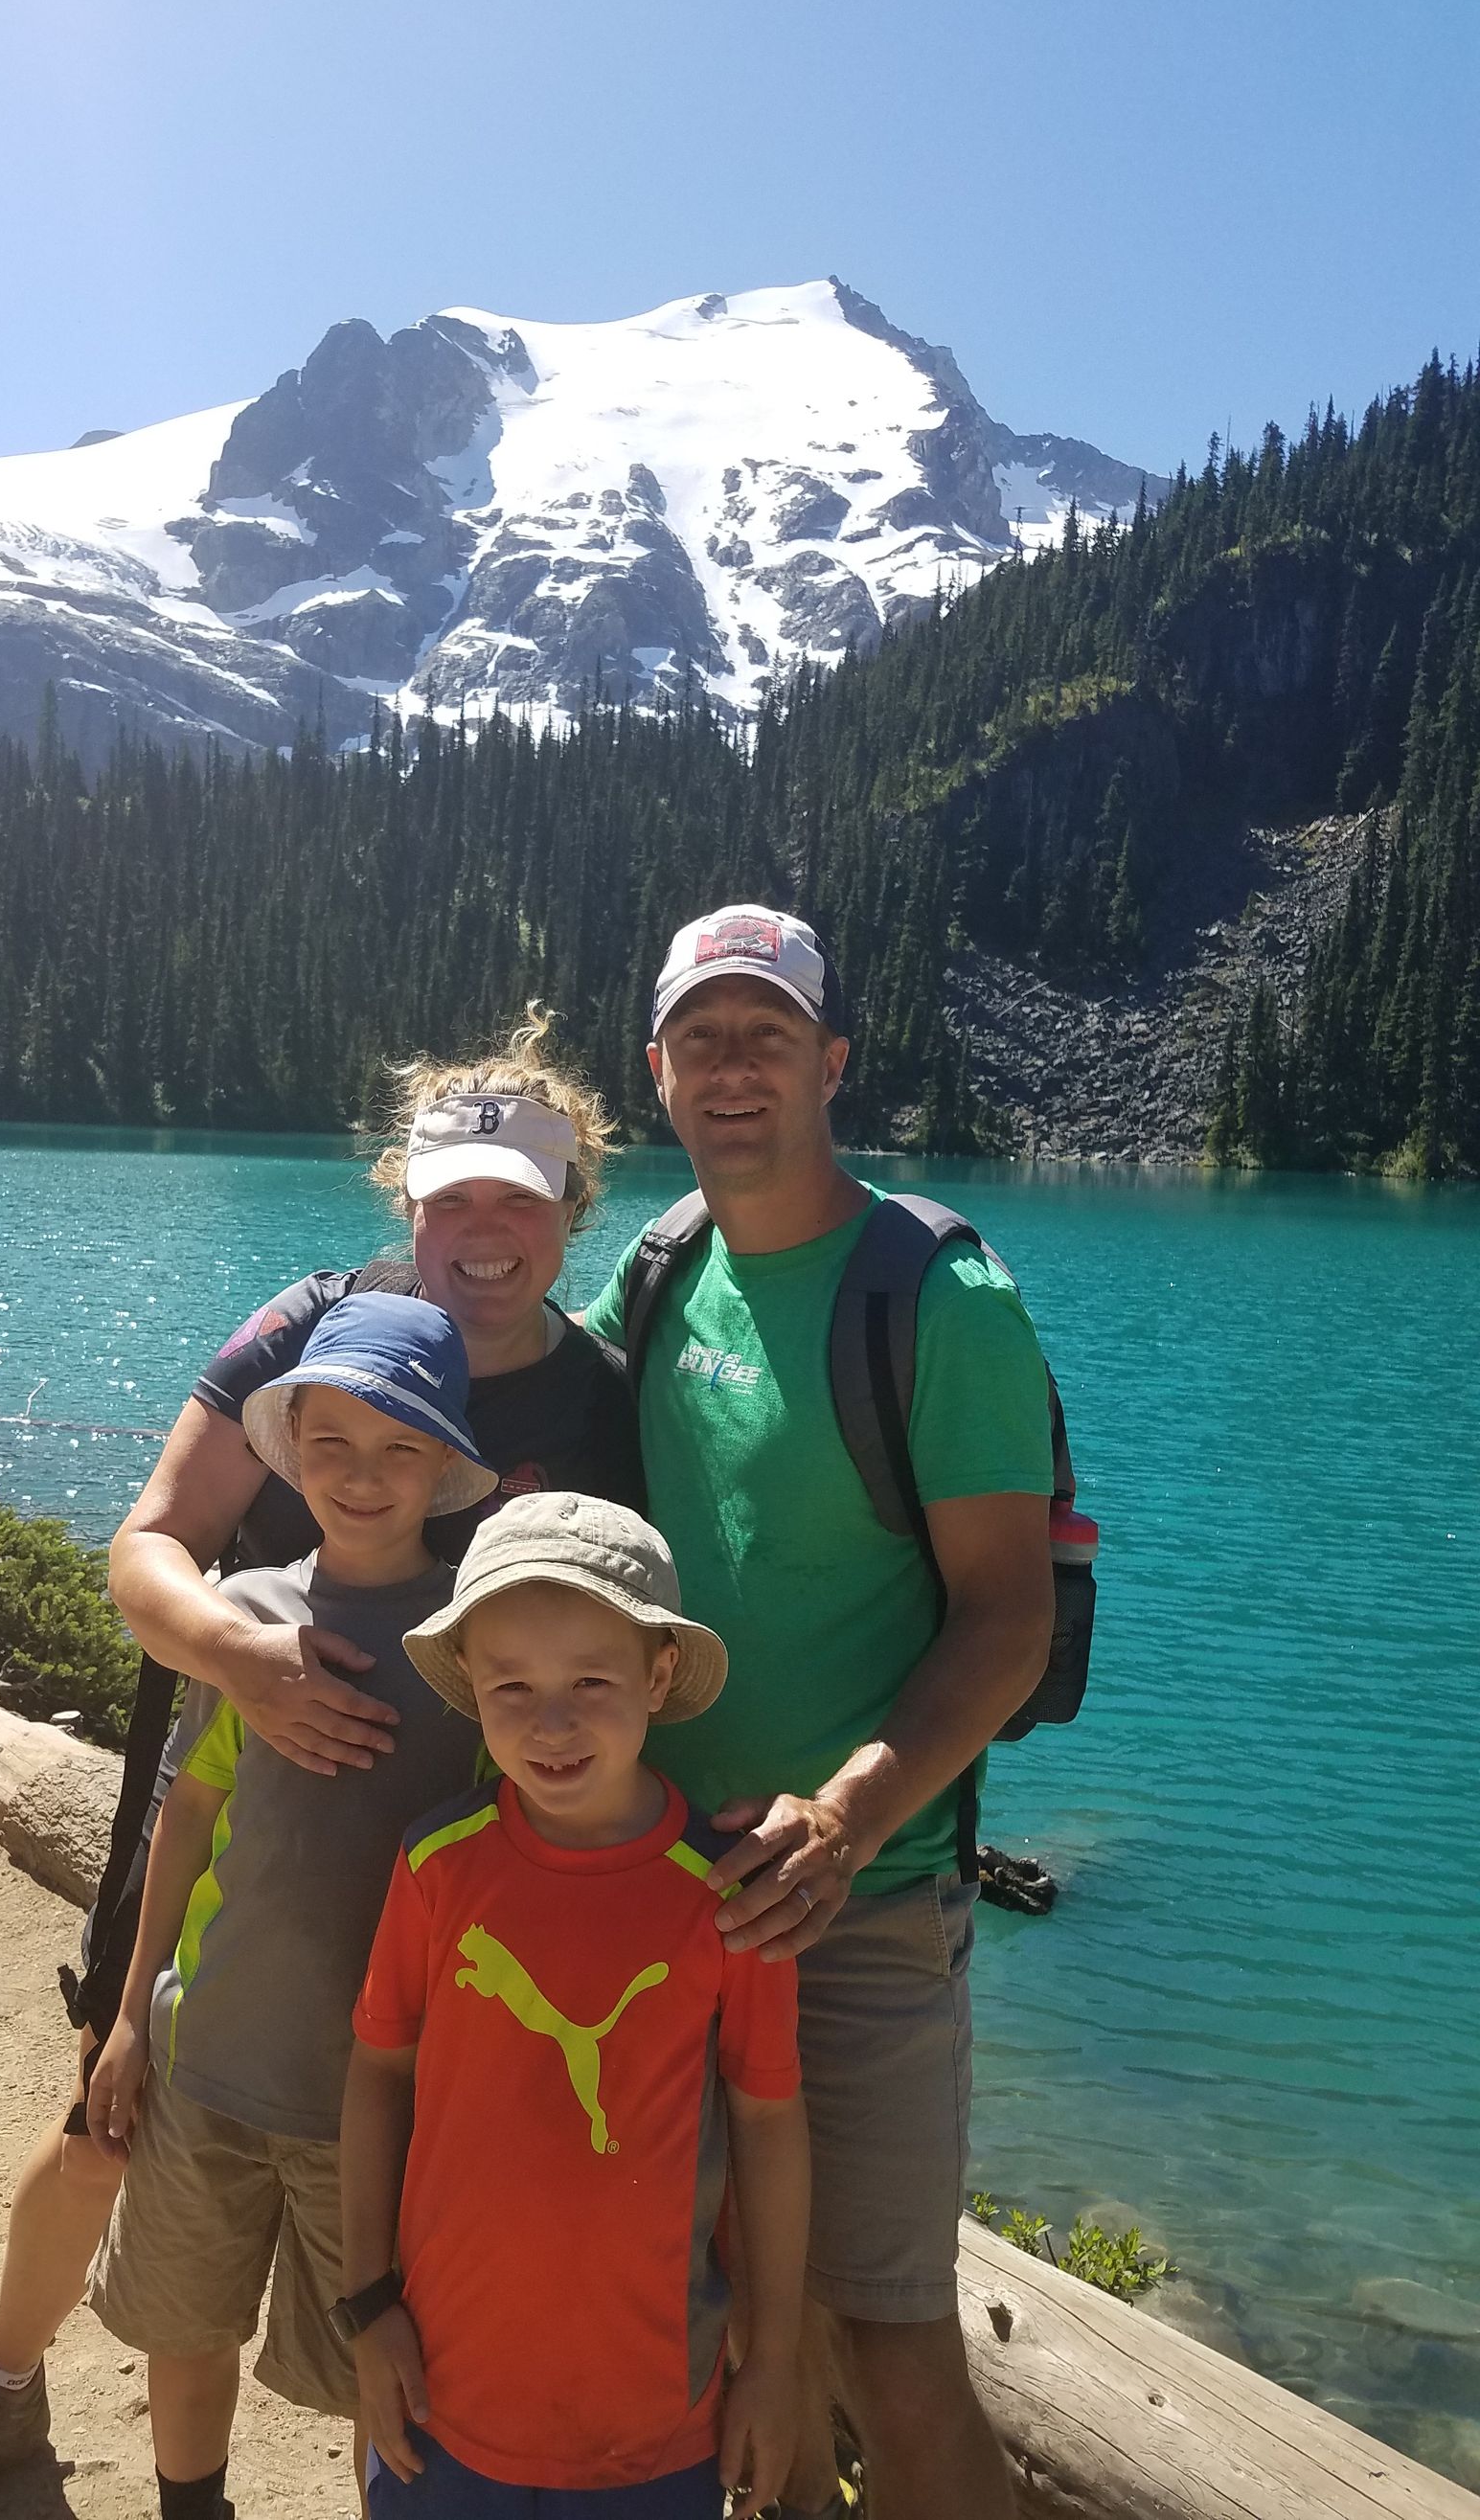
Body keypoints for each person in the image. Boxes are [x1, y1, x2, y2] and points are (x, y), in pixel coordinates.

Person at [0, 1011, 642, 2520]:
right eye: (452, 1196)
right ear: (405, 1194)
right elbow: (150, 1541)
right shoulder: (309, 1324)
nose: (483, 1231)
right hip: (233, 1803)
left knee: (397, 2208)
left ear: (572, 1212)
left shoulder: (599, 1398)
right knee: (112, 2116)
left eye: (521, 1200)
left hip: (436, 1879)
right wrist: (244, 1656)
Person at [581, 908, 1057, 2520]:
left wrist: (847, 1820)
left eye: (767, 1035)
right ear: (657, 1070)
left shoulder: (941, 1295)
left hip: (860, 1904)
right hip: (663, 1884)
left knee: (888, 2344)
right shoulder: (660, 1270)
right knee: (727, 2318)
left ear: (832, 1061)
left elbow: (1008, 1616)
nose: (732, 1068)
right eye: (700, 1038)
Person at [84, 1294, 497, 2520]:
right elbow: (187, 1819)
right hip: (205, 2054)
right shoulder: (245, 1617)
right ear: (289, 1450)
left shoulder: (474, 1644)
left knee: (379, 2367)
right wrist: (129, 2015)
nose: (360, 1476)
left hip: (373, 2101)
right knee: (184, 2323)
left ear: (445, 1463)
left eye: (399, 1448)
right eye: (330, 1445)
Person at [341, 1492, 808, 2520]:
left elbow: (768, 2123)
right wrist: (367, 2304)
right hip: (441, 2389)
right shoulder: (437, 1864)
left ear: (658, 1675)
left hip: (655, 2417)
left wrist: (773, 2362)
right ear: (471, 1684)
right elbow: (378, 2073)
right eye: (511, 1684)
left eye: (591, 1681)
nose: (550, 1722)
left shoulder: (730, 1892)